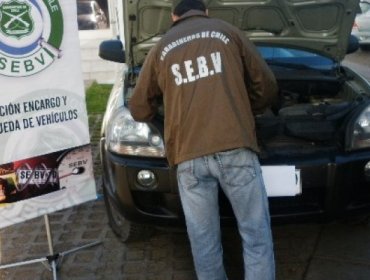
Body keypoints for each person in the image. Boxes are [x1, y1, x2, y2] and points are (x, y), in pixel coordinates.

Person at [129, 0, 278, 279]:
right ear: (206, 12)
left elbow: (139, 109)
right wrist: (247, 109)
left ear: (174, 17)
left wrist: (165, 107)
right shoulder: (228, 31)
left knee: (204, 241)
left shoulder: (161, 48)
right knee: (255, 233)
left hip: (188, 157)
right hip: (235, 148)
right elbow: (266, 84)